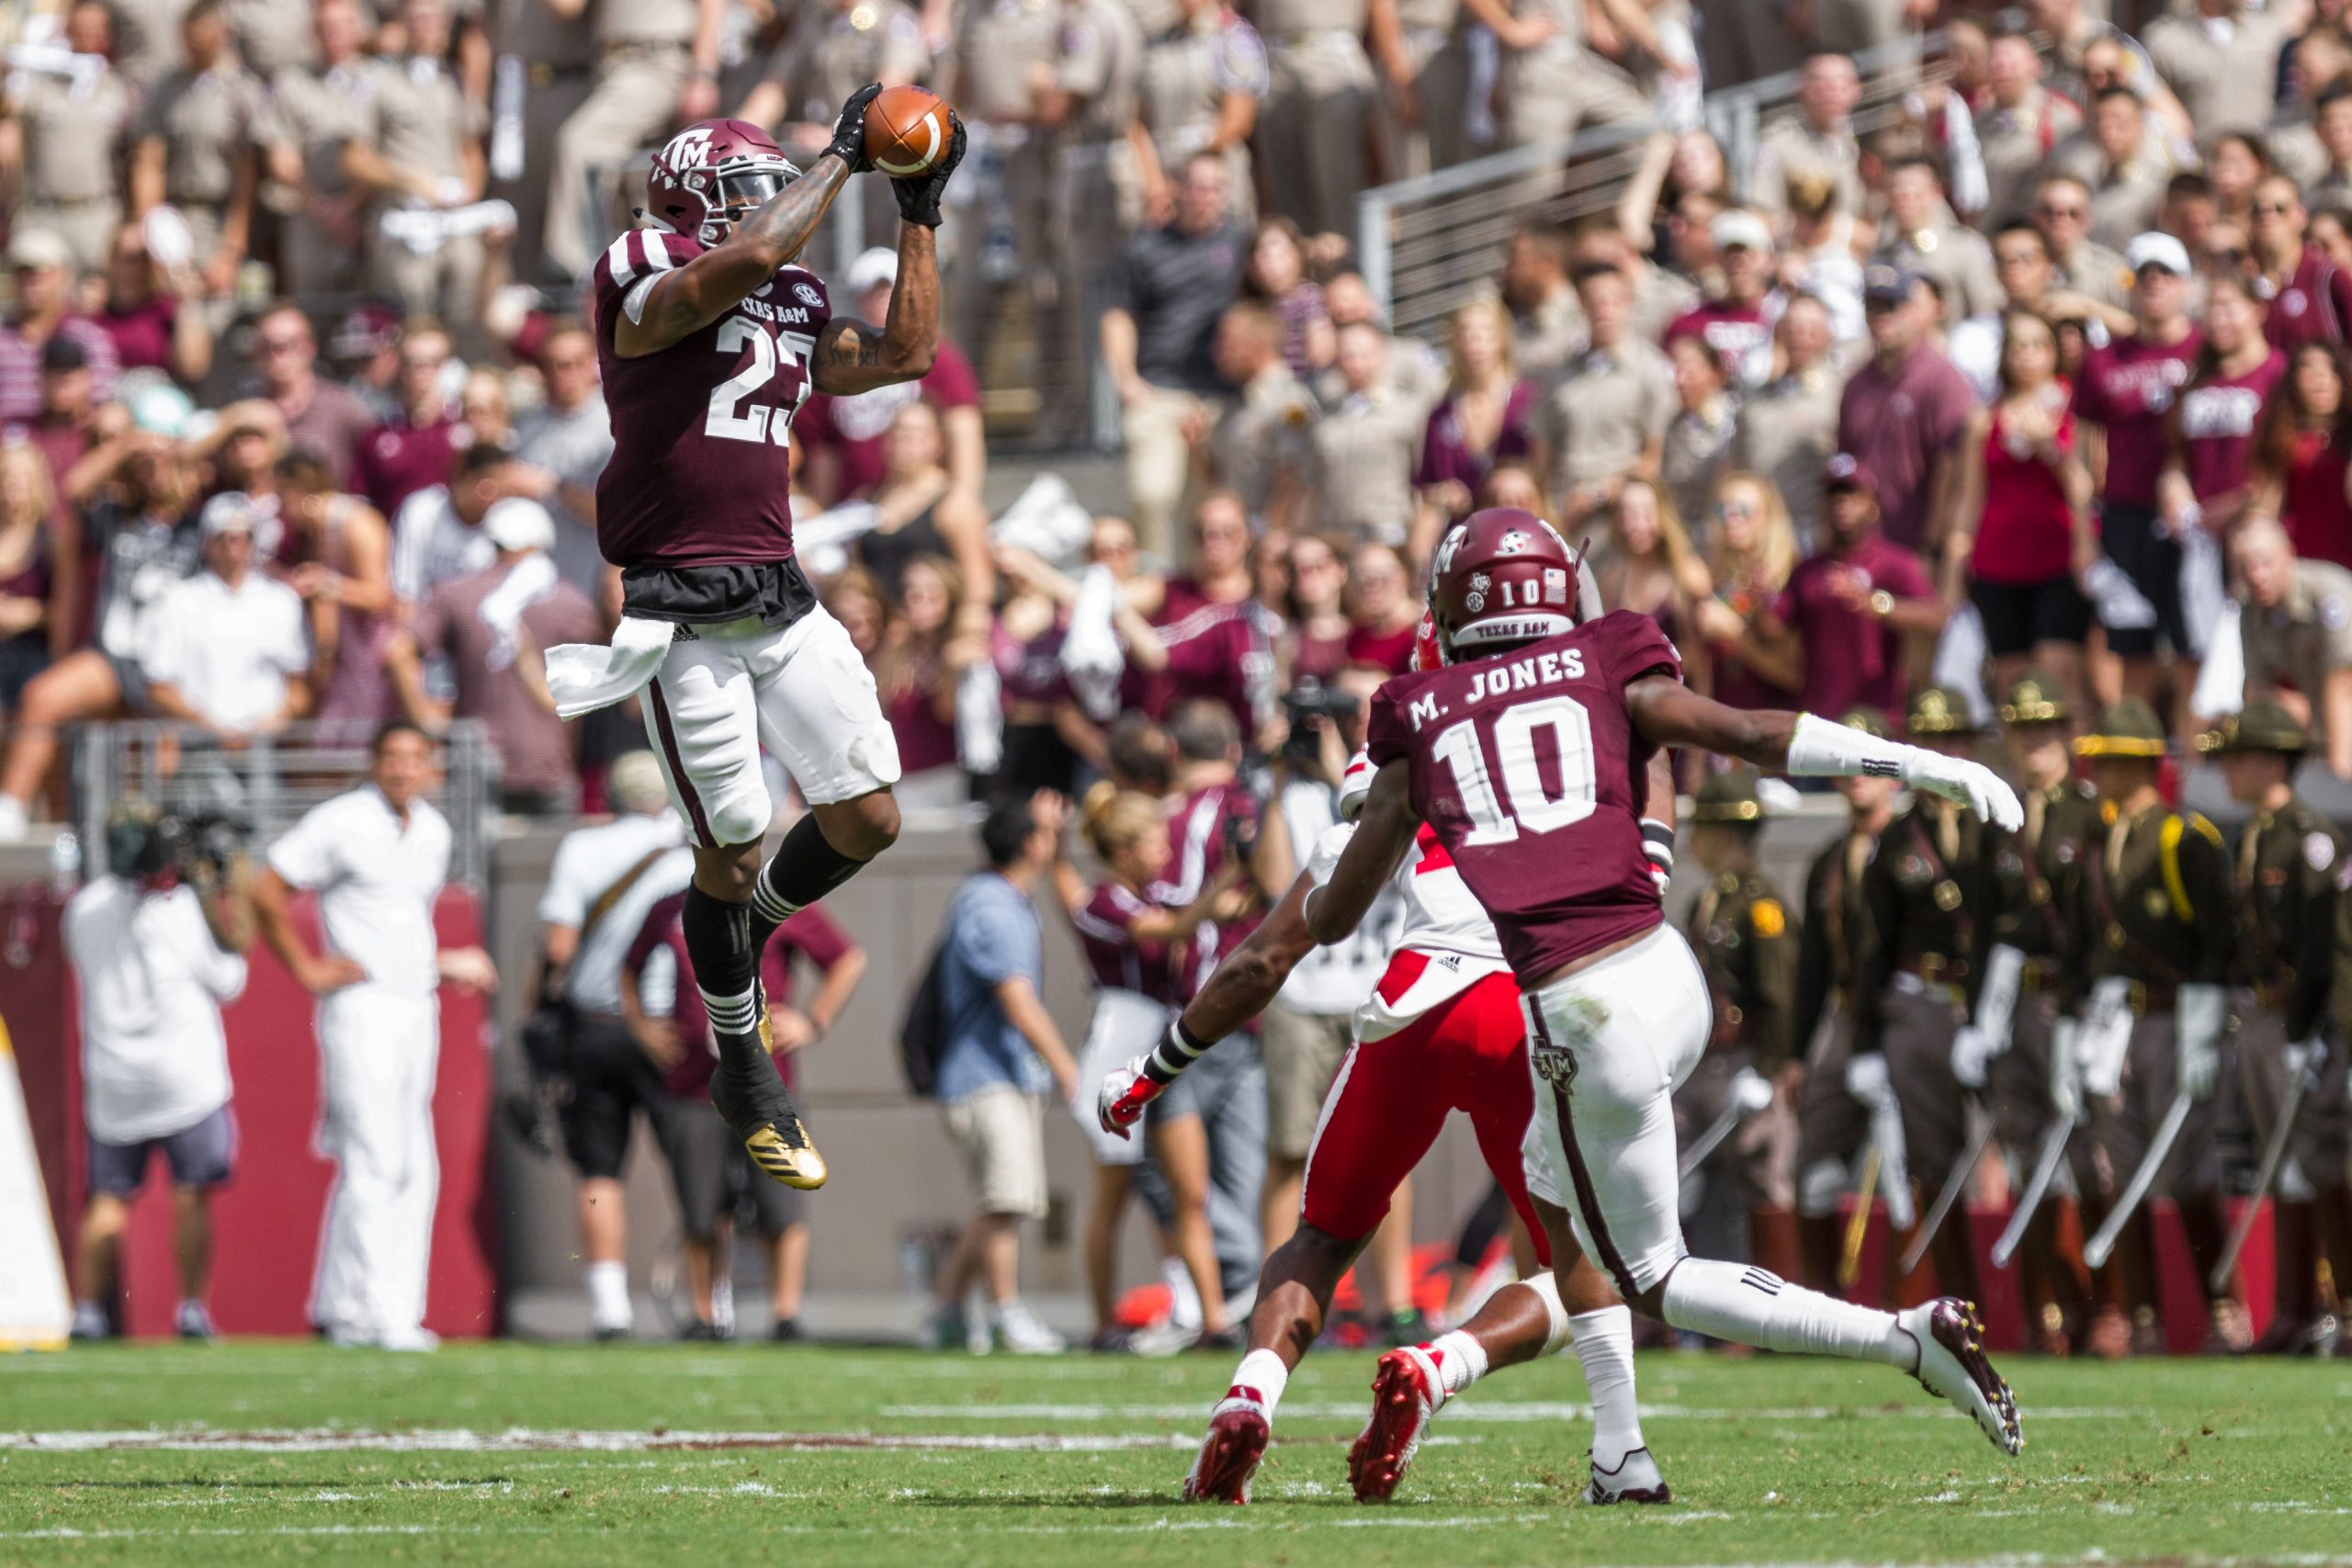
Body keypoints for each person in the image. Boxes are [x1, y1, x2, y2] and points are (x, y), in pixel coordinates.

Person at [1296, 508, 2026, 1472]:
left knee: (1648, 1274)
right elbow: (1749, 732)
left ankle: (1906, 1339)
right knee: (1552, 1193)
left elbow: (1335, 908)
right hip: (1664, 968)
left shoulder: (1418, 710)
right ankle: (1618, 1452)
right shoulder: (1606, 652)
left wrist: (1318, 885)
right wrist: (1917, 762)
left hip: (1579, 1004)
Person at [542, 104, 967, 1191]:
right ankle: (742, 1058)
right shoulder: (638, 260)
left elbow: (906, 352)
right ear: (687, 194)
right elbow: (746, 257)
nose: (760, 205)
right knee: (729, 849)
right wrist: (842, 156)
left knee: (867, 814)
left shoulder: (789, 290)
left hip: (777, 590)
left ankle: (737, 934)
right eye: (742, 187)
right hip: (677, 610)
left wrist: (917, 206)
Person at [251, 723, 499, 1350]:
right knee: (375, 1159)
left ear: (430, 767)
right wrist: (308, 968)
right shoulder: (341, 821)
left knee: (413, 1163)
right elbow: (266, 889)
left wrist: (443, 963)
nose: (403, 768)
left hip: (417, 1006)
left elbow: (399, 925)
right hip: (361, 1008)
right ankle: (383, 1314)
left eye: (416, 757)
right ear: (374, 761)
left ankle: (340, 1303)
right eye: (392, 756)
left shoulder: (434, 831)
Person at [2068, 698, 2240, 1357]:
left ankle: (2222, 1309)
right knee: (2122, 1165)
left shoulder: (2182, 835)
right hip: (2115, 1022)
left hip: (2172, 1017)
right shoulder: (2101, 837)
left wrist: (2203, 1012)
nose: (2107, 770)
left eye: (2120, 759)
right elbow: (2090, 942)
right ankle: (2143, 1315)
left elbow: (2216, 934)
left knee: (2187, 1164)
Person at [621, 878, 865, 1340]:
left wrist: (814, 1021)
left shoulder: (779, 901)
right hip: (692, 1085)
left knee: (781, 1202)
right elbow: (629, 967)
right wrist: (641, 1027)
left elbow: (846, 959)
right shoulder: (673, 905)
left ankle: (786, 1314)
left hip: (766, 1085)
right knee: (700, 1207)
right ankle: (705, 1314)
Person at [1047, 784, 1239, 1348]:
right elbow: (1173, 928)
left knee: (1189, 1190)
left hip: (1160, 1047)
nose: (1165, 847)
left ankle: (1214, 1322)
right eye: (1154, 839)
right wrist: (1229, 876)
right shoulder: (1108, 901)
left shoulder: (1154, 891)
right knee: (1113, 1192)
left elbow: (1198, 915)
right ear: (1123, 851)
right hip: (1118, 1047)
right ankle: (1104, 1322)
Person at [63, 807, 256, 1342]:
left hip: (113, 1077)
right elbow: (230, 979)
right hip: (185, 1076)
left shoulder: (84, 906)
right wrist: (227, 887)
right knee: (191, 1191)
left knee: (108, 1198)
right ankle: (192, 1309)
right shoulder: (179, 912)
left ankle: (87, 1312)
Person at [2198, 702, 2350, 1357]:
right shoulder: (2255, 833)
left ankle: (2343, 1303)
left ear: (2270, 761)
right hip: (2259, 1014)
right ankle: (2294, 1307)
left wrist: (2308, 1026)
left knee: (2317, 1159)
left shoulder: (2308, 836)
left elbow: (2324, 945)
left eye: (2238, 756)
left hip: (2299, 1016)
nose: (2228, 769)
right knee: (2282, 1161)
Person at [532, 751, 693, 1339]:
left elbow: (557, 946)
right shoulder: (687, 850)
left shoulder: (582, 848)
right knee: (696, 1163)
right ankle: (708, 1303)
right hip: (668, 1026)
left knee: (599, 1171)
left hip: (594, 1023)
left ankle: (610, 1309)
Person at [1967, 671, 2101, 1355]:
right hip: (2014, 998)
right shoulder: (2004, 815)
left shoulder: (2089, 812)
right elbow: (1988, 924)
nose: (2034, 742)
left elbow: (2096, 922)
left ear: (2066, 734)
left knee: (2083, 1148)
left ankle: (2108, 1305)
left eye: (2045, 728)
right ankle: (2055, 1305)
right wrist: (1975, 1016)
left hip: (2069, 996)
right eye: (2023, 728)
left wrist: (2084, 1008)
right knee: (2025, 1146)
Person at [926, 793, 1082, 1355]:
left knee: (997, 1201)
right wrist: (1067, 1066)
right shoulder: (993, 906)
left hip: (993, 1076)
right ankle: (1004, 1313)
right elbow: (1016, 999)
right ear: (1028, 843)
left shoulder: (999, 897)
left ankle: (945, 1312)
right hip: (985, 1078)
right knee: (1007, 1202)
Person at [390, 497, 605, 814]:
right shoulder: (571, 603)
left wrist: (425, 722)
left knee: (473, 863)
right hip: (547, 765)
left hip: (473, 761)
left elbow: (397, 651)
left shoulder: (455, 594)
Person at [1787, 707, 1901, 1292]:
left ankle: (1917, 1299)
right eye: (1849, 763)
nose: (1858, 774)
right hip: (1843, 1019)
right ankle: (1820, 1301)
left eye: (1870, 761)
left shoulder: (1912, 847)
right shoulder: (1827, 861)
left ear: (1893, 774)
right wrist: (1796, 1053)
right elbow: (1812, 966)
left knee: (1911, 1169)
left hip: (1905, 1020)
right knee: (1813, 1166)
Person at [1675, 769, 1800, 1287]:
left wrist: (1768, 1072)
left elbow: (1779, 996)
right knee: (1678, 1176)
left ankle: (1775, 1313)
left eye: (1701, 829)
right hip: (1703, 1063)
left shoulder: (1761, 906)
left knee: (1760, 1178)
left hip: (1745, 1062)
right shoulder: (1705, 901)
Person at [2072, 231, 2204, 719]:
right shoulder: (2104, 360)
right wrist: (2086, 532)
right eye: (2144, 274)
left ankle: (2192, 769)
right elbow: (2083, 454)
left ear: (2186, 285)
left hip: (2193, 520)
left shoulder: (2205, 350)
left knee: (2195, 650)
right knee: (2132, 650)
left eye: (2165, 274)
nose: (2154, 283)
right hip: (2125, 517)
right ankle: (2138, 762)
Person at [1947, 309, 2097, 716]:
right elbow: (1968, 497)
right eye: (2018, 347)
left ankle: (2076, 772)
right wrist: (1956, 558)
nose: (2027, 356)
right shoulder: (1985, 419)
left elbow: (2084, 486)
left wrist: (2050, 446)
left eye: (2037, 345)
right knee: (2012, 678)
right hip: (1998, 560)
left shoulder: (2073, 412)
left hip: (2058, 557)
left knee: (2060, 668)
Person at [1102, 152, 1252, 555]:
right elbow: (1118, 316)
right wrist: (1127, 381)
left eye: (1216, 187)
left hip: (1225, 398)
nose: (1207, 196)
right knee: (1152, 494)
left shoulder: (1242, 242)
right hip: (1160, 391)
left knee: (1214, 510)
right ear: (1178, 189)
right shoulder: (1143, 248)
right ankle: (1157, 587)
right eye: (1199, 186)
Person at [1737, 455, 1944, 727]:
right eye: (1834, 496)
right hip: (1819, 719)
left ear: (1873, 506)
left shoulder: (1893, 563)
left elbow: (1936, 616)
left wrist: (1878, 605)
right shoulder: (1808, 571)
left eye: (1852, 496)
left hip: (1877, 719)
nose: (1842, 505)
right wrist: (1760, 599)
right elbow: (1774, 630)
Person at [797, 248, 985, 505]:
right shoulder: (835, 363)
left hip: (922, 504)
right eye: (873, 292)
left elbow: (963, 429)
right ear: (858, 300)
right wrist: (823, 514)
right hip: (857, 506)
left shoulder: (935, 357)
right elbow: (825, 453)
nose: (883, 300)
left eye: (891, 291)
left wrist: (962, 501)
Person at [135, 493, 312, 751]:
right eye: (224, 537)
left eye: (243, 536)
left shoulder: (282, 601)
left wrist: (269, 724)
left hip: (264, 750)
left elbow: (298, 688)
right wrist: (213, 729)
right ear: (207, 542)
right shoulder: (177, 600)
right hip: (198, 748)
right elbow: (159, 686)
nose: (234, 546)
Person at [1836, 266, 1975, 557]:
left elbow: (1955, 475)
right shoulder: (1856, 384)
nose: (1880, 316)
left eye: (1890, 306)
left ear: (1914, 311)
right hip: (1864, 551)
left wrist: (1934, 546)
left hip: (1919, 547)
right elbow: (1845, 474)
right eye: (1872, 306)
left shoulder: (1943, 380)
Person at [1412, 297, 1536, 563]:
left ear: (1502, 339)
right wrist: (1444, 494)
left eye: (1485, 334)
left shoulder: (1525, 401)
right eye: (1467, 334)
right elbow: (1425, 485)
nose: (1476, 343)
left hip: (1523, 537)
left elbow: (1544, 470)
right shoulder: (1441, 415)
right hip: (1466, 545)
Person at [2231, 517, 2352, 781]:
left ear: (2289, 554)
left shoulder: (2329, 597)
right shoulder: (2251, 610)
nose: (2256, 575)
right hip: (2321, 735)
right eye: (2245, 566)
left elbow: (2343, 685)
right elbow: (2255, 690)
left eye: (2265, 562)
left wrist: (2339, 782)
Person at [1690, 472, 1799, 710]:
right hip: (1721, 729)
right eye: (1723, 510)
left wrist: (1734, 632)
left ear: (1770, 517)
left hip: (1771, 728)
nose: (1731, 518)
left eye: (1744, 510)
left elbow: (1794, 674)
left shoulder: (1791, 580)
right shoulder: (1720, 582)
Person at [2250, 343, 2352, 572]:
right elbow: (2265, 508)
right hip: (2304, 571)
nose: (2321, 378)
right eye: (2309, 368)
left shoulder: (2346, 439)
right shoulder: (2284, 440)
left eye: (2331, 369)